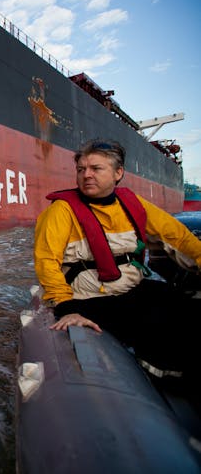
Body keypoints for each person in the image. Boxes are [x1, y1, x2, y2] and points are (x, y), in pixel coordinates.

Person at [34, 139, 201, 375]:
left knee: (183, 305)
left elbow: (178, 237)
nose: (86, 175)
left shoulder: (132, 204)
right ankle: (166, 373)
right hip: (89, 299)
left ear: (118, 172)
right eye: (81, 170)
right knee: (154, 322)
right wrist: (67, 307)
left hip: (131, 290)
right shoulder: (60, 211)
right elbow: (46, 261)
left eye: (96, 169)